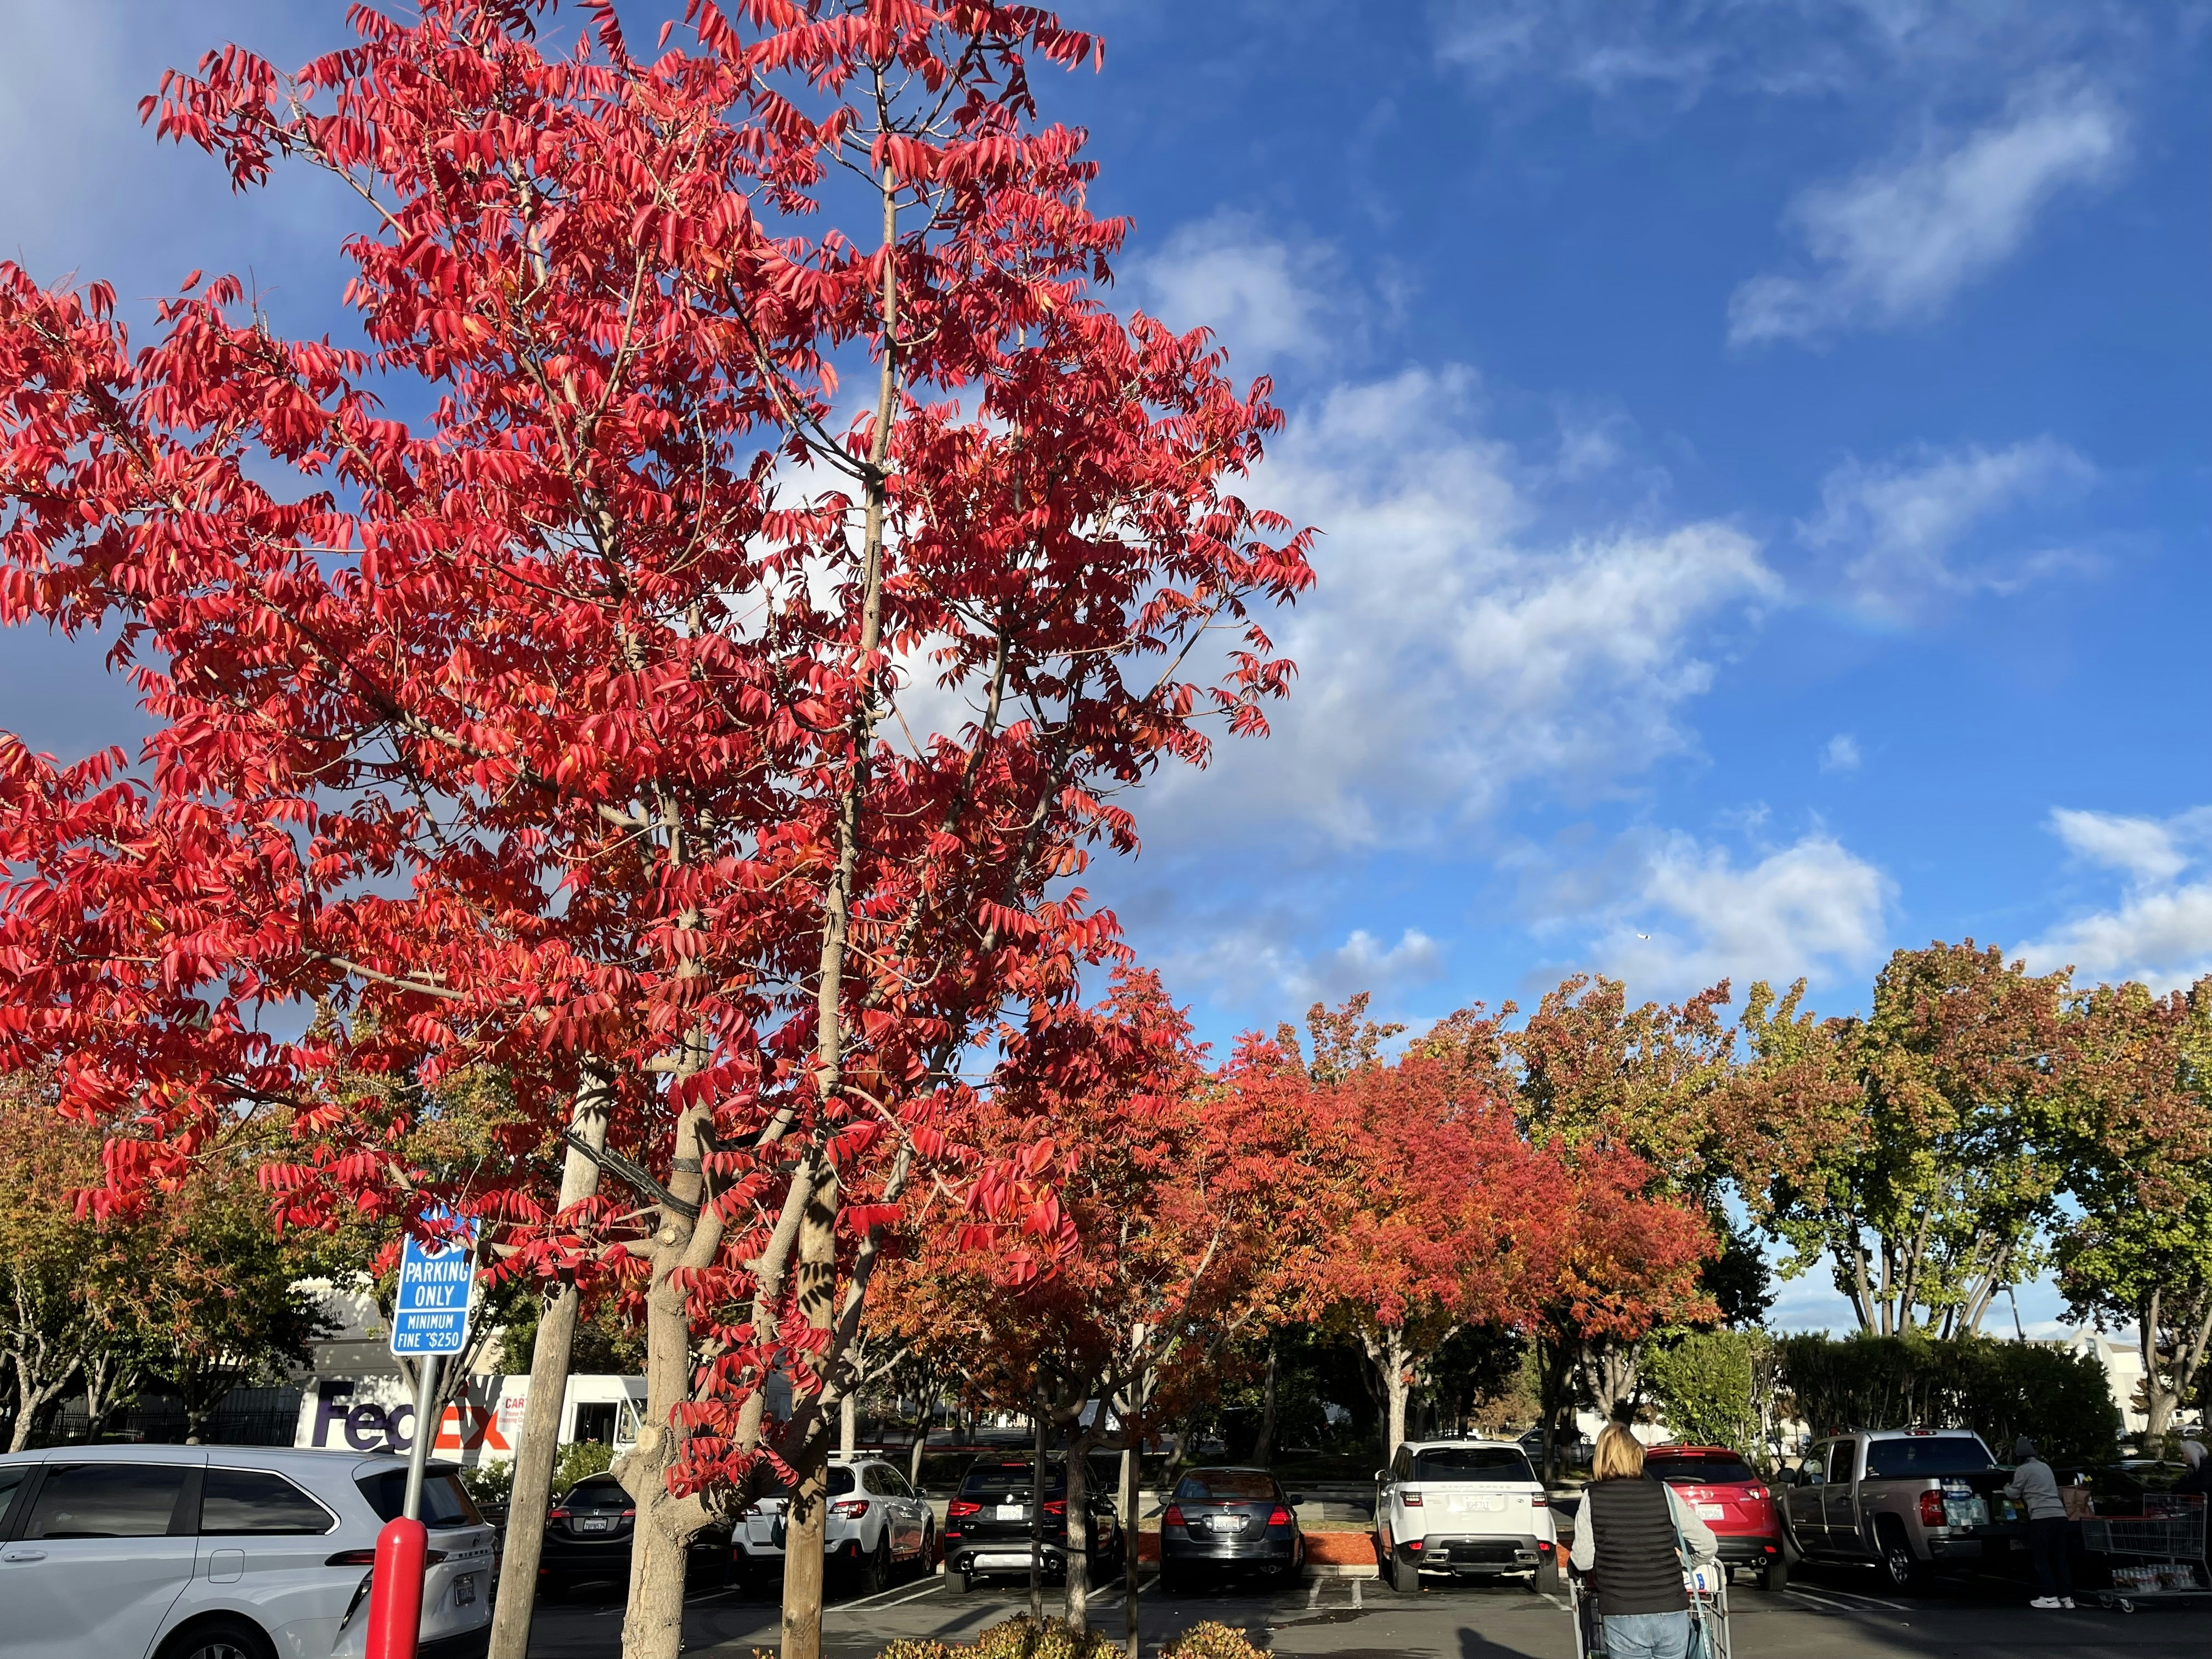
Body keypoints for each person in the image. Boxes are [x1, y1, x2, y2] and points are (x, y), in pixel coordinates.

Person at [1570, 1424, 1718, 1659]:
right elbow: (1708, 1544)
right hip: (1671, 1609)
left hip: (1621, 1612)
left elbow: (1583, 1560)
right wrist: (1686, 1561)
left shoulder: (1592, 1498)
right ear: (1637, 1455)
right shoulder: (1664, 1492)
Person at [2004, 1435, 2072, 1609]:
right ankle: (2067, 1598)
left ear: (2019, 1456)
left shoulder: (2022, 1470)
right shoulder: (2046, 1467)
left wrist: (2005, 1487)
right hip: (2060, 1515)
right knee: (2060, 1558)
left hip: (2042, 1518)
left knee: (2041, 1559)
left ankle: (2050, 1597)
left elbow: (2014, 1493)